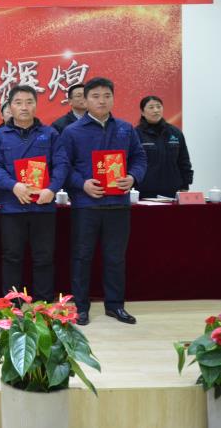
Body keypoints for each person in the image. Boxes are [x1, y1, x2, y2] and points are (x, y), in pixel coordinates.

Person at [59, 77, 147, 326]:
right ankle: (81, 307)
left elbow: (139, 158)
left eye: (107, 96)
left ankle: (115, 305)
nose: (102, 101)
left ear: (113, 99)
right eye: (95, 96)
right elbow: (63, 166)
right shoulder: (72, 132)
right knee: (82, 257)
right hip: (86, 205)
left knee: (115, 257)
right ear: (85, 100)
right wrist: (82, 183)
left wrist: (132, 177)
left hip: (118, 204)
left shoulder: (125, 129)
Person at [0, 85, 69, 303]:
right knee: (12, 257)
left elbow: (62, 164)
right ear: (10, 106)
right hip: (12, 207)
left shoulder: (50, 134)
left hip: (43, 206)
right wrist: (13, 186)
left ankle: (43, 306)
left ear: (36, 105)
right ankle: (12, 305)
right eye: (18, 102)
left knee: (44, 258)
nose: (24, 107)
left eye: (29, 102)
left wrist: (52, 189)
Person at [135, 95, 193, 199]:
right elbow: (131, 162)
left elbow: (184, 160)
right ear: (142, 112)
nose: (156, 110)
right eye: (151, 107)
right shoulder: (135, 134)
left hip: (172, 190)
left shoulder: (175, 132)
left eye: (159, 106)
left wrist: (185, 185)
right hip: (144, 191)